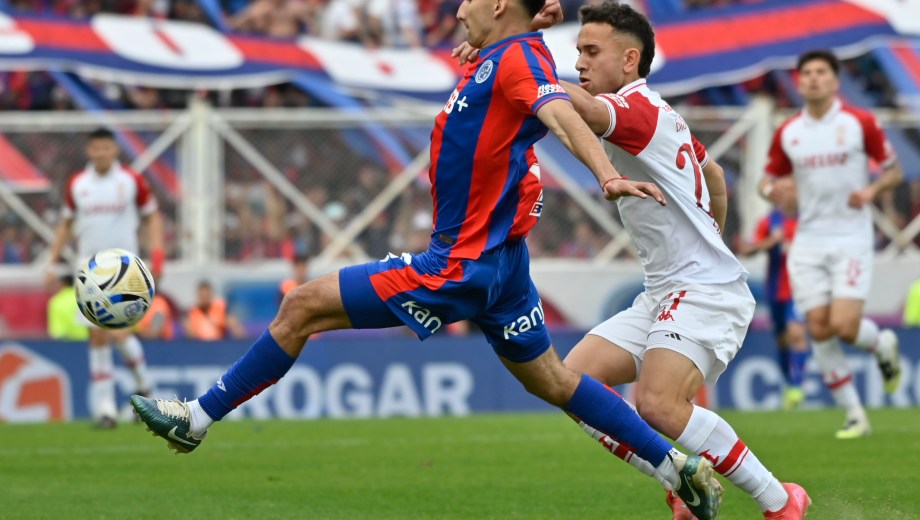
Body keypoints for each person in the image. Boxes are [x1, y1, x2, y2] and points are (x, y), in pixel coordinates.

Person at [131, 1, 723, 518]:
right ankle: (676, 468)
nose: (457, 7)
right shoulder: (507, 52)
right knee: (556, 382)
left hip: (459, 266)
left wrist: (607, 173)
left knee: (302, 305)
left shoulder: (518, 62)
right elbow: (519, 60)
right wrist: (518, 27)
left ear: (498, 6)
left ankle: (197, 417)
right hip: (503, 265)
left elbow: (561, 114)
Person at [453, 2, 808, 518]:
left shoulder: (635, 109)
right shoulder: (663, 115)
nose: (579, 63)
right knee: (573, 381)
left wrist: (511, 54)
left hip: (703, 290)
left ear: (630, 60)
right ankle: (679, 478)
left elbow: (576, 107)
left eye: (591, 52)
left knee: (659, 404)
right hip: (669, 289)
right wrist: (713, 237)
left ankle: (780, 501)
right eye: (577, 52)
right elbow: (715, 179)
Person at [759, 50, 903, 439]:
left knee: (843, 324)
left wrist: (872, 188)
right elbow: (766, 179)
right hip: (806, 241)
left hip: (850, 237)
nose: (813, 79)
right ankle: (855, 415)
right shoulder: (789, 132)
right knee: (820, 329)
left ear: (835, 81)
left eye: (821, 72)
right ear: (799, 81)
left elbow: (895, 171)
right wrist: (774, 190)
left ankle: (883, 343)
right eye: (806, 73)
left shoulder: (860, 122)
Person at [46, 127, 164, 428]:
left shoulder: (130, 181)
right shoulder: (78, 184)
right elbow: (66, 223)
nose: (100, 152)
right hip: (89, 274)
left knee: (120, 334)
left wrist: (158, 254)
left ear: (115, 150)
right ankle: (106, 410)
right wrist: (52, 259)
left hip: (126, 273)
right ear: (89, 151)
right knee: (97, 336)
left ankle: (145, 391)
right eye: (95, 148)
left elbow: (152, 215)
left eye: (106, 147)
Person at [739, 199, 809, 411]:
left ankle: (797, 388)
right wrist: (770, 242)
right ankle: (790, 385)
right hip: (776, 290)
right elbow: (747, 250)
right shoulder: (770, 221)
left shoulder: (809, 220)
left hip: (801, 290)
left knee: (796, 333)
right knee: (782, 341)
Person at [47, 273, 89, 341]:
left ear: (62, 284)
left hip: (65, 343)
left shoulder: (55, 301)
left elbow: (56, 331)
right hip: (84, 341)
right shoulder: (82, 298)